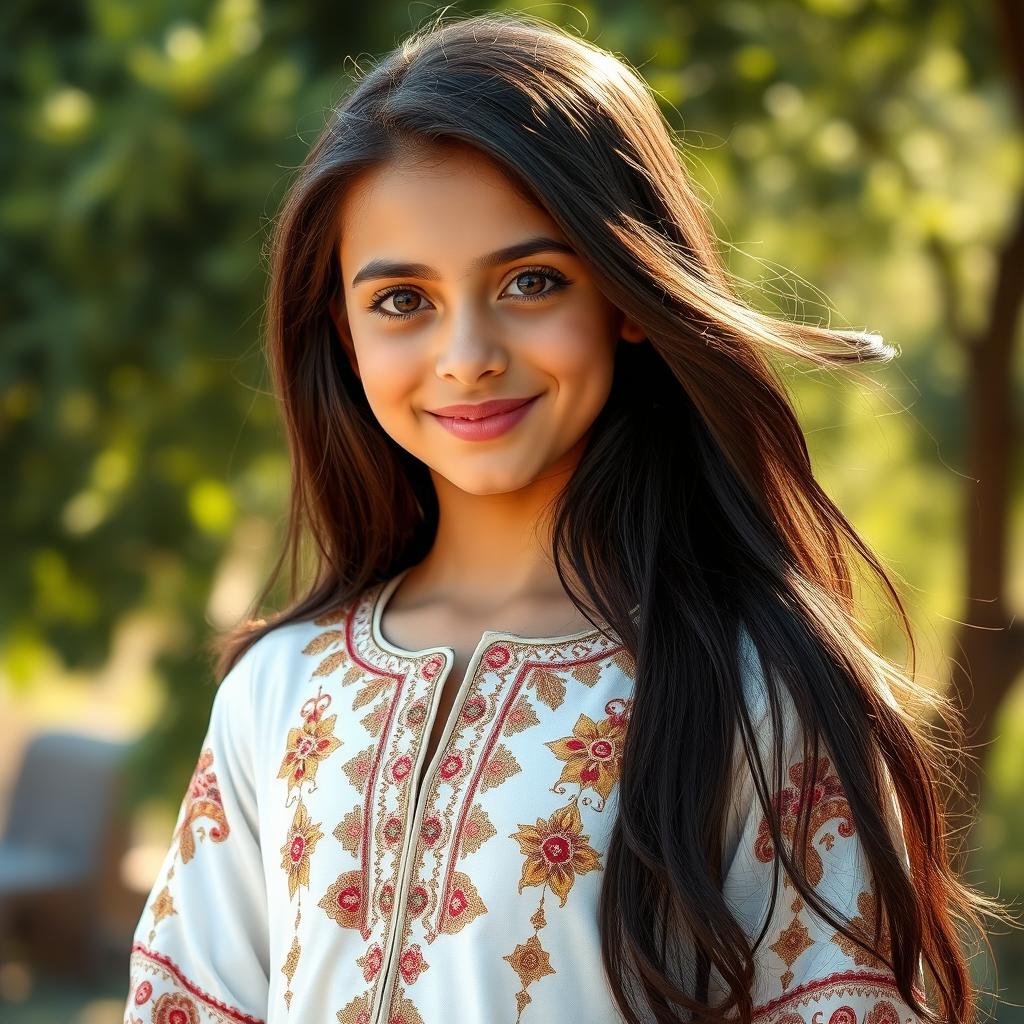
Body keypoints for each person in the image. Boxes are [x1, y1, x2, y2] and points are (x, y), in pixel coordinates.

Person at [122, 11, 1001, 1024]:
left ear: (626, 293)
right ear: (341, 326)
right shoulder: (276, 693)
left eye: (530, 281)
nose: (467, 353)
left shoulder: (758, 685)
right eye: (401, 299)